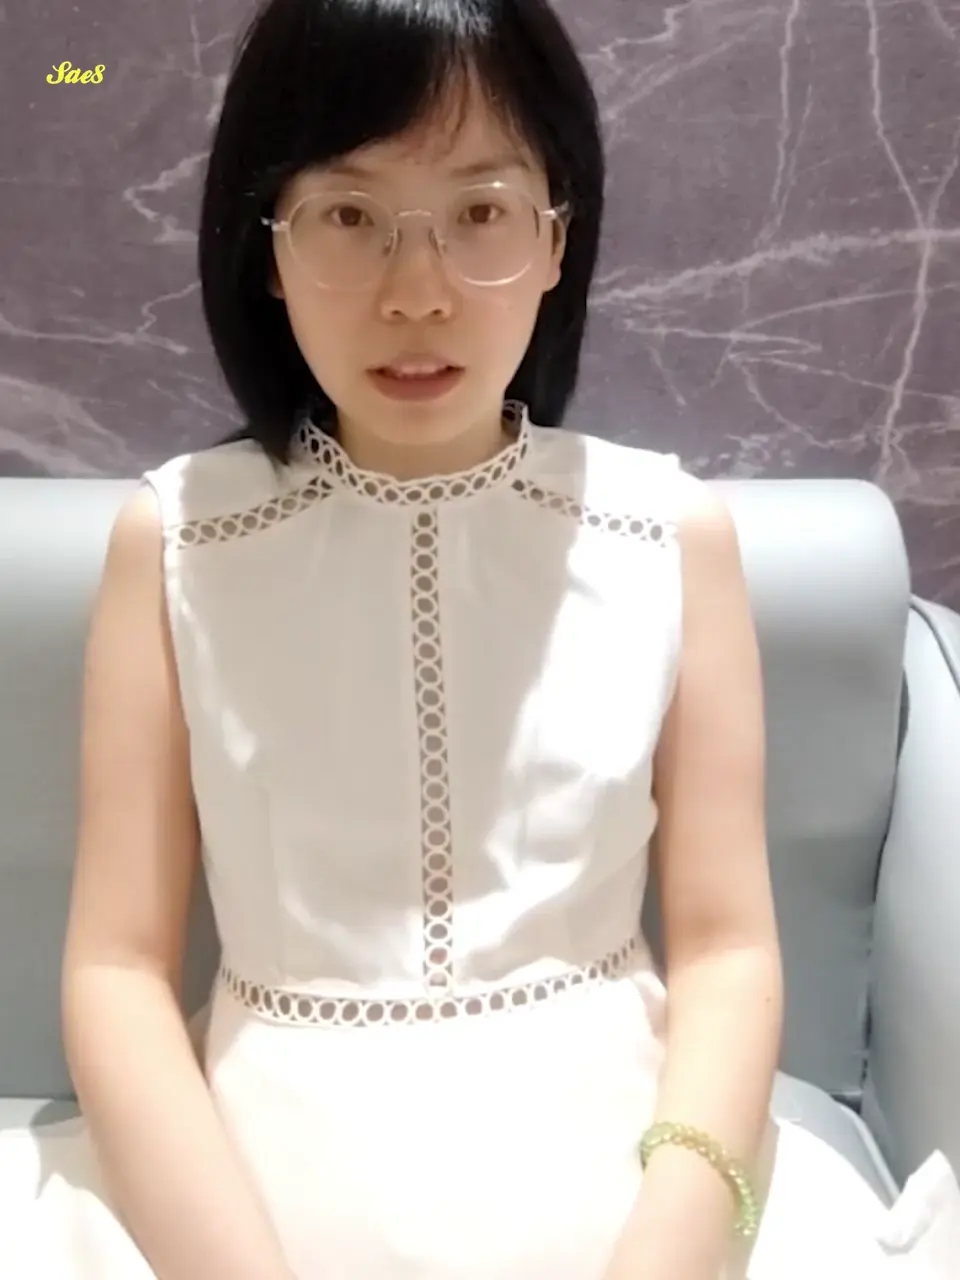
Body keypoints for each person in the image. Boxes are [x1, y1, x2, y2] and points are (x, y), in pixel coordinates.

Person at [1, 1, 958, 1277]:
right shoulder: (174, 542)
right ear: (268, 247)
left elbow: (729, 947)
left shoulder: (669, 535)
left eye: (481, 211)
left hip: (630, 1167)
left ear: (557, 236)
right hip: (249, 1187)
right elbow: (116, 968)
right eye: (350, 215)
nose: (418, 292)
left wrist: (673, 1247)